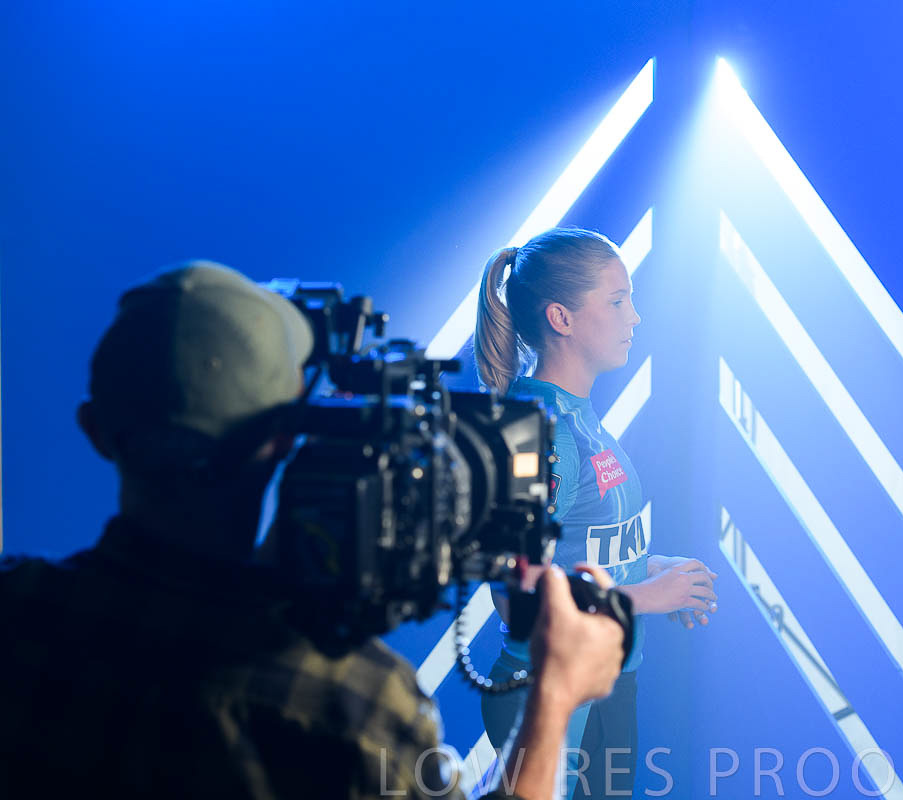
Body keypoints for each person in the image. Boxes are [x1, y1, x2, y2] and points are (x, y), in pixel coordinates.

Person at [0, 261, 626, 800]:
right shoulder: (348, 705)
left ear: (96, 431)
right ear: (285, 435)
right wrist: (554, 697)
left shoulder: (18, 608)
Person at [474, 229, 720, 798]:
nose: (634, 316)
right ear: (561, 318)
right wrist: (645, 598)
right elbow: (516, 598)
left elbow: (576, 548)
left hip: (602, 682)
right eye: (616, 301)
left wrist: (653, 570)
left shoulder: (576, 417)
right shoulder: (539, 431)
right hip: (550, 690)